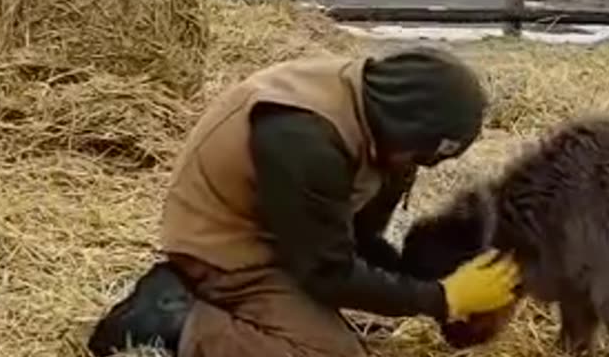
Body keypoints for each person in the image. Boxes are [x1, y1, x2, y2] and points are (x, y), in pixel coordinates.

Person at [86, 46, 521, 357]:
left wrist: (433, 280)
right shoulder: (305, 138)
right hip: (224, 247)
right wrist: (441, 299)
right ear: (405, 126)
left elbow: (353, 238)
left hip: (289, 236)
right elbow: (326, 271)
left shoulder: (378, 123)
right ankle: (172, 319)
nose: (421, 167)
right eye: (423, 155)